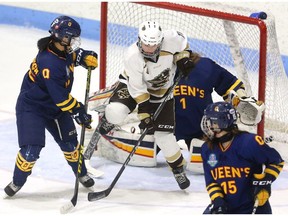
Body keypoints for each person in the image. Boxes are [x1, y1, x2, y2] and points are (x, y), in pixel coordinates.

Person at [4, 15, 98, 197]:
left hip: (55, 108)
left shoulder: (61, 48)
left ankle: (82, 174)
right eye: (72, 37)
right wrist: (79, 110)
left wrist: (84, 56)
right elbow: (61, 99)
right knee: (31, 151)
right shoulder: (50, 62)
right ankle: (17, 182)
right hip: (33, 108)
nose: (74, 41)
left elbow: (72, 57)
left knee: (71, 145)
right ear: (63, 37)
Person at [98, 21, 195, 190]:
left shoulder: (171, 38)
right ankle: (109, 120)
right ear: (139, 39)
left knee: (164, 137)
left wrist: (182, 57)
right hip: (132, 87)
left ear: (160, 41)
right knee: (116, 111)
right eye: (146, 44)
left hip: (161, 92)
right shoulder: (132, 55)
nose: (149, 48)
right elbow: (137, 88)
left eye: (153, 45)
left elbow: (184, 44)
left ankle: (178, 169)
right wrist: (145, 113)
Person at [173, 53, 265, 172]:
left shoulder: (204, 65)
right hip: (170, 126)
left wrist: (241, 98)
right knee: (144, 154)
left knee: (207, 163)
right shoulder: (158, 65)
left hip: (198, 128)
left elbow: (230, 84)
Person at [200, 101, 284, 214]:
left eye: (213, 122)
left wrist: (265, 181)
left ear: (223, 122)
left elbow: (276, 161)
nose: (209, 125)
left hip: (252, 207)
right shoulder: (207, 149)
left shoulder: (249, 143)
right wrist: (218, 200)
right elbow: (212, 182)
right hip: (226, 207)